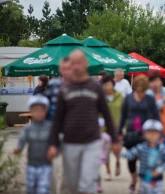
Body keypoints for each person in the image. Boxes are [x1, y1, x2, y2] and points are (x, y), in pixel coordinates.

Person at [47, 50, 121, 194]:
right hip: (70, 144)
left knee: (87, 185)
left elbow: (107, 115)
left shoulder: (96, 88)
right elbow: (57, 120)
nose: (76, 67)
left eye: (79, 62)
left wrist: (115, 140)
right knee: (72, 186)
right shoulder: (65, 90)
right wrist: (53, 144)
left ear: (86, 63)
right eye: (73, 63)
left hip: (92, 143)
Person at [118, 75, 160, 193]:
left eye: (142, 88)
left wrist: (158, 133)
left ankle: (142, 183)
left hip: (145, 134)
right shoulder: (128, 98)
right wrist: (119, 132)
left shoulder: (149, 99)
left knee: (144, 160)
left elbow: (156, 116)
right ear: (135, 86)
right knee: (131, 160)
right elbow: (122, 116)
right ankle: (133, 180)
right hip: (130, 133)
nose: (140, 91)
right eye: (138, 88)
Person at [122, 119, 165, 194]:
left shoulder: (162, 149)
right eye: (149, 132)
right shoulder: (141, 147)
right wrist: (120, 151)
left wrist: (160, 169)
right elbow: (130, 155)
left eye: (155, 133)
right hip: (144, 180)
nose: (152, 135)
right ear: (144, 134)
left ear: (160, 134)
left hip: (157, 181)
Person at [14, 95, 52, 194]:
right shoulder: (27, 129)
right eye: (35, 110)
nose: (38, 113)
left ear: (46, 111)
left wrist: (55, 149)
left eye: (41, 110)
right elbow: (22, 141)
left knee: (43, 189)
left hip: (46, 165)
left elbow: (56, 143)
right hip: (31, 165)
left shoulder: (50, 127)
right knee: (31, 189)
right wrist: (18, 148)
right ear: (30, 111)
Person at [45, 57, 72, 194]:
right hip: (53, 131)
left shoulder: (77, 85)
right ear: (60, 69)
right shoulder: (53, 84)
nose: (66, 71)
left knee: (68, 169)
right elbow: (47, 108)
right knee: (53, 167)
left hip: (71, 134)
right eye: (64, 68)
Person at [100, 75, 124, 181]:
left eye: (109, 84)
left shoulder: (120, 97)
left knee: (117, 151)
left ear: (113, 85)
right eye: (105, 85)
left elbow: (125, 113)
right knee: (105, 152)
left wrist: (125, 126)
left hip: (118, 129)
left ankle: (118, 162)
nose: (107, 87)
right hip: (105, 130)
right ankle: (108, 172)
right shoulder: (101, 98)